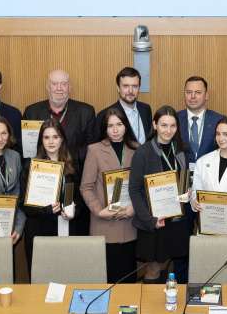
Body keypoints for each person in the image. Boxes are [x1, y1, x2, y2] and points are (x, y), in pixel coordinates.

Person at [23, 69, 96, 235]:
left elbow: (91, 151)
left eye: (64, 84)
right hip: (41, 185)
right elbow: (27, 151)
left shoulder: (86, 112)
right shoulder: (31, 112)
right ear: (47, 87)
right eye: (54, 84)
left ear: (70, 87)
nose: (59, 88)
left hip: (74, 181)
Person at [130, 106, 192, 282]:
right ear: (155, 125)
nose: (168, 130)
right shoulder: (143, 152)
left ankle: (167, 299)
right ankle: (150, 300)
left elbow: (184, 179)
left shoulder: (181, 149)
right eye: (164, 125)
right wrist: (150, 220)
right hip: (155, 221)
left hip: (177, 220)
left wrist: (187, 191)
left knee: (169, 267)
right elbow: (134, 190)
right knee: (154, 269)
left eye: (173, 126)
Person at [81, 110, 139, 283]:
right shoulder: (94, 150)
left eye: (119, 124)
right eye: (110, 126)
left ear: (126, 126)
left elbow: (142, 186)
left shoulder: (137, 149)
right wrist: (99, 211)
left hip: (129, 223)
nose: (115, 130)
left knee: (128, 280)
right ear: (104, 129)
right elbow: (86, 187)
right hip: (104, 224)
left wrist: (134, 207)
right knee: (107, 279)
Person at [19, 119, 77, 273]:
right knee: (40, 275)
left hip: (64, 227)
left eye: (55, 137)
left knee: (63, 274)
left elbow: (77, 197)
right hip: (37, 229)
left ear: (62, 139)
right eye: (46, 137)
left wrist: (72, 211)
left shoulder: (72, 165)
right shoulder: (31, 166)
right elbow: (23, 204)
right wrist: (45, 210)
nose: (51, 142)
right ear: (41, 140)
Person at [93, 67, 152, 145]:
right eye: (126, 86)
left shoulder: (146, 109)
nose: (130, 91)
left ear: (139, 88)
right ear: (118, 88)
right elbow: (98, 147)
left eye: (134, 86)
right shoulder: (103, 115)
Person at [178, 75, 223, 167]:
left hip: (210, 173)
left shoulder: (219, 121)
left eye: (198, 92)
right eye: (189, 92)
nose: (192, 96)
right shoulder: (174, 119)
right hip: (181, 174)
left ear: (206, 96)